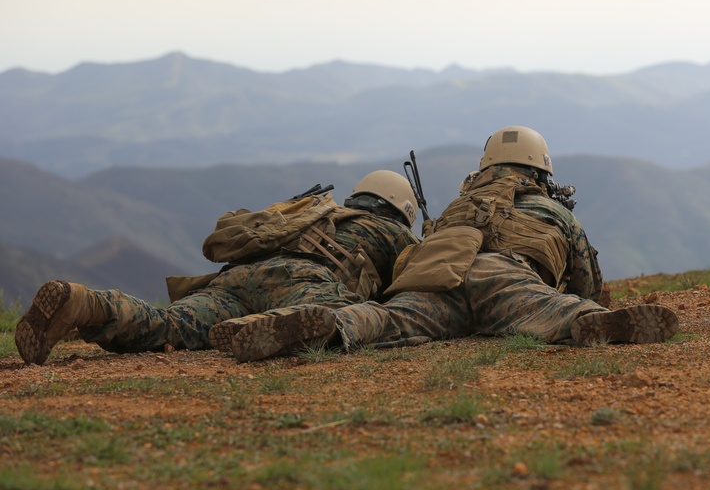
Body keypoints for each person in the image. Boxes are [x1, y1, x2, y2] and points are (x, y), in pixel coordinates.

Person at [221, 126, 679, 363]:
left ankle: (330, 325)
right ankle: (597, 327)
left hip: (437, 276)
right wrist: (594, 305)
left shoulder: (458, 207)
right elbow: (587, 280)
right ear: (541, 170)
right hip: (504, 278)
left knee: (387, 319)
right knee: (556, 310)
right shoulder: (551, 210)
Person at [15, 171, 420, 365]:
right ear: (401, 211)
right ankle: (266, 326)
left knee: (168, 326)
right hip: (305, 279)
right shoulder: (391, 231)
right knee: (329, 316)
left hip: (237, 277)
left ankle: (89, 304)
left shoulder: (317, 212)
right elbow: (415, 281)